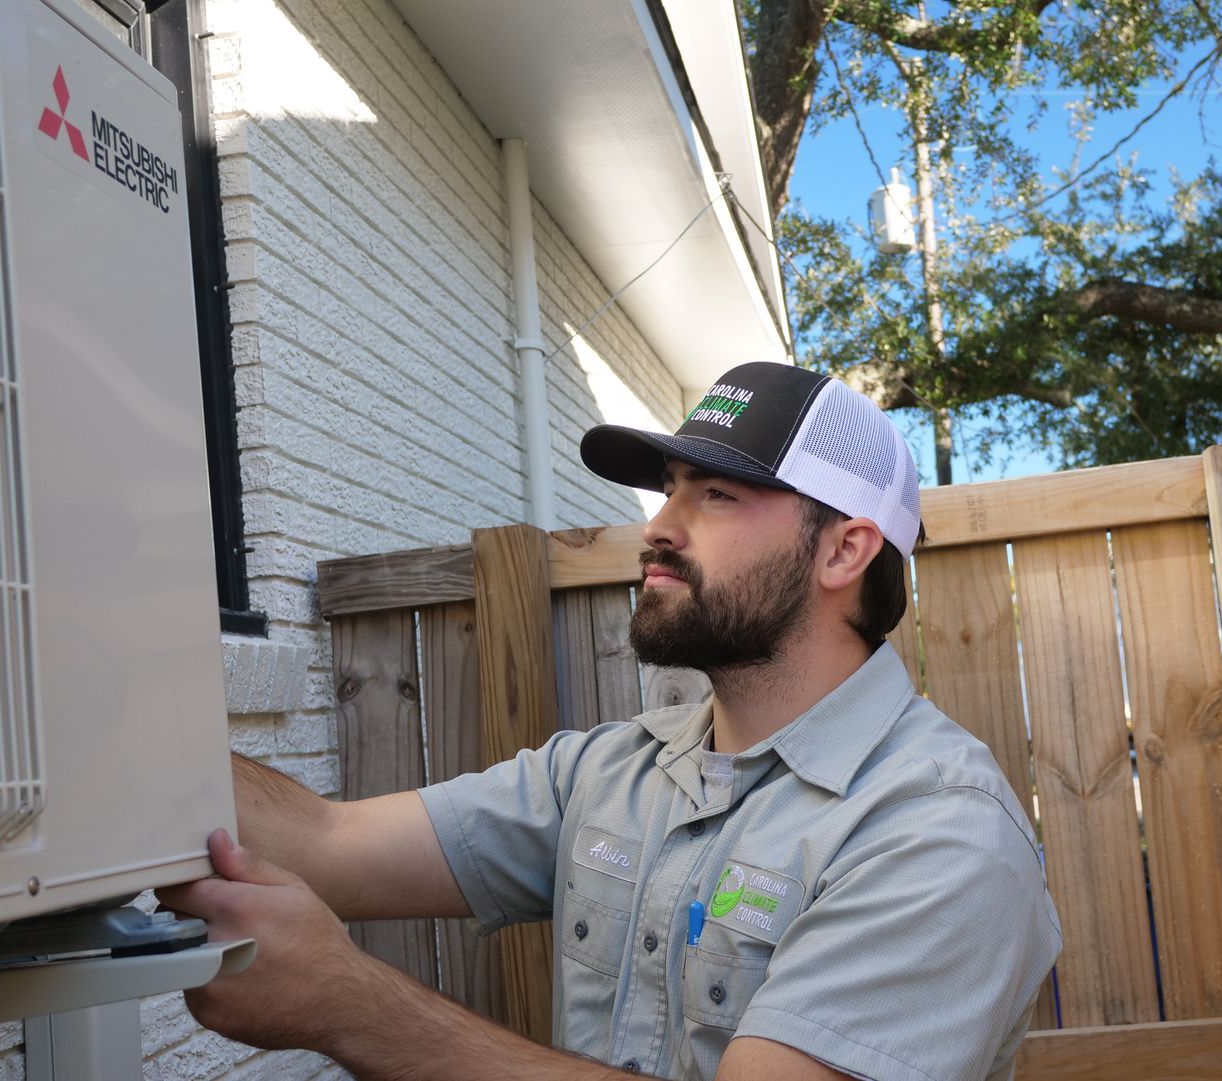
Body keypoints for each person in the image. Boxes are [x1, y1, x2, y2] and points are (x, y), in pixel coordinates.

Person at [160, 362, 1061, 1080]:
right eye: (669, 488)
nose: (658, 526)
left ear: (843, 548)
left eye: (715, 494)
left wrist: (346, 1004)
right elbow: (323, 841)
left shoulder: (938, 832)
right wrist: (111, 733)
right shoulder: (610, 772)